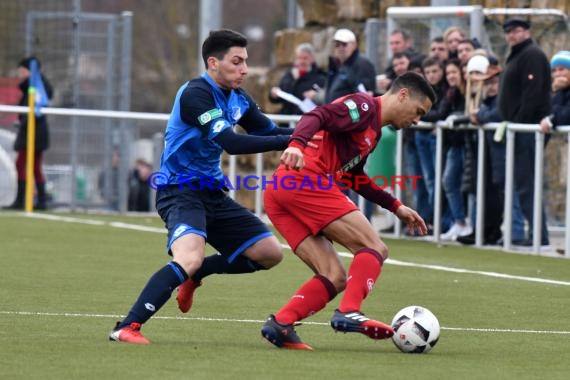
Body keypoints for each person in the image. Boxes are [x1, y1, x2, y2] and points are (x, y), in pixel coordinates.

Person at [109, 29, 295, 344]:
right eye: (237, 62)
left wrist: (317, 127)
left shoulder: (239, 98)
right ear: (213, 63)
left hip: (212, 193)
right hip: (178, 191)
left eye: (246, 62)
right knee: (189, 256)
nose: (245, 69)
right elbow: (231, 143)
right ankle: (127, 327)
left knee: (269, 253)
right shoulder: (196, 94)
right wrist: (292, 140)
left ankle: (198, 275)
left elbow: (270, 129)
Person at [260, 72, 436, 350]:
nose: (417, 120)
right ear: (402, 95)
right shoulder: (364, 108)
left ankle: (281, 323)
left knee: (334, 275)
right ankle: (349, 311)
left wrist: (396, 206)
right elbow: (316, 115)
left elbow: (354, 177)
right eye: (418, 111)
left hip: (281, 192)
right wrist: (296, 144)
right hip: (304, 179)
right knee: (375, 246)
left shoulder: (373, 131)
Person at [498, 18, 551, 247]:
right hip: (519, 130)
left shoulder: (532, 55)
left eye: (516, 31)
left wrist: (518, 124)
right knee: (523, 185)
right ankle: (537, 233)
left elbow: (533, 95)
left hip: (527, 131)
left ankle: (540, 236)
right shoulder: (519, 55)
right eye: (508, 31)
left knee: (527, 184)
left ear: (527, 31)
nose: (511, 35)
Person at [5, 56, 53, 210]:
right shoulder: (29, 87)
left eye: (22, 70)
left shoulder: (38, 86)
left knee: (22, 165)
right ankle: (40, 200)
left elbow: (37, 108)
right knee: (33, 167)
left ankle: (23, 200)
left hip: (34, 134)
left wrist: (23, 123)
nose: (20, 73)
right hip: (30, 132)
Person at [268, 43, 326, 117]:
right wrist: (273, 94)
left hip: (306, 120)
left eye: (305, 58)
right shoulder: (289, 75)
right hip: (286, 121)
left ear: (312, 59)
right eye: (299, 58)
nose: (301, 61)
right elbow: (279, 96)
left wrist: (316, 96)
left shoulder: (320, 78)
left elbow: (326, 101)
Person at [322, 28, 376, 104]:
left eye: (344, 44)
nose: (340, 48)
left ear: (354, 45)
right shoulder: (337, 66)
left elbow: (365, 97)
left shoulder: (362, 65)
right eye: (337, 44)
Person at [540, 50, 570, 133]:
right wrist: (554, 91)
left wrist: (551, 119)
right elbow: (545, 111)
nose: (557, 74)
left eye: (561, 69)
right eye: (554, 70)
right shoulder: (559, 90)